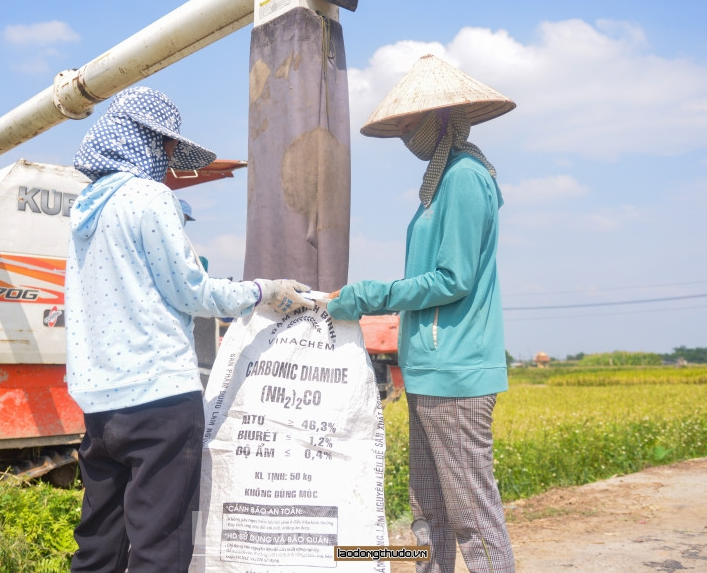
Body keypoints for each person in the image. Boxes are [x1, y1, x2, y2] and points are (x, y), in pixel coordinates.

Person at [64, 86, 311, 573]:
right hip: (158, 398)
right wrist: (263, 290)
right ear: (147, 142)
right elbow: (192, 292)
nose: (171, 157)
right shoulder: (150, 198)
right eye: (168, 147)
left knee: (99, 545)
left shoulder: (85, 209)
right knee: (160, 542)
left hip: (100, 401)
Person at [326, 55, 517, 573]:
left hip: (456, 370)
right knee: (429, 512)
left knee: (472, 515)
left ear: (442, 120)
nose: (407, 133)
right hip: (432, 369)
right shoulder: (438, 184)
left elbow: (454, 280)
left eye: (413, 122)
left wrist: (373, 295)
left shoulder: (463, 179)